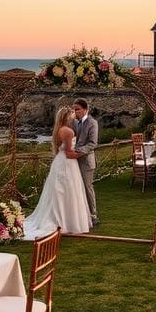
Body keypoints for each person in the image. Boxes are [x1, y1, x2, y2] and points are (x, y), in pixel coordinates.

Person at [23, 105, 92, 238]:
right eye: (72, 113)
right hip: (67, 163)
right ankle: (66, 221)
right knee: (68, 191)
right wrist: (83, 152)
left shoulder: (59, 129)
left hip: (60, 162)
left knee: (59, 191)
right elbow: (69, 153)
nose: (74, 115)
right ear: (67, 117)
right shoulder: (68, 131)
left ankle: (63, 219)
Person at [67, 97, 99, 227]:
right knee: (76, 188)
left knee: (87, 188)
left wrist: (77, 151)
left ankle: (93, 215)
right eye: (74, 109)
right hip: (74, 161)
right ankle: (80, 215)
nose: (76, 112)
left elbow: (93, 144)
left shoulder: (93, 123)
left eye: (78, 109)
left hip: (86, 161)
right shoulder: (74, 122)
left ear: (85, 109)